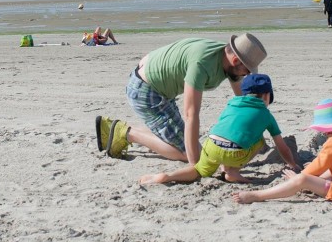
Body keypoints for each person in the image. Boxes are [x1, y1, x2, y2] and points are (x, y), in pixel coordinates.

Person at [94, 33, 268, 165]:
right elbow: (191, 114)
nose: (247, 75)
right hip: (146, 92)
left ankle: (124, 131)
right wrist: (196, 165)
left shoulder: (225, 57)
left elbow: (242, 101)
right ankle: (126, 133)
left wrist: (255, 136)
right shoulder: (202, 63)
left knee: (184, 141)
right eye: (247, 70)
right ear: (236, 59)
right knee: (187, 153)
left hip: (156, 85)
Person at [139, 74, 300, 186]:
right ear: (266, 95)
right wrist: (292, 164)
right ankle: (233, 172)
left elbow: (225, 126)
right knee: (259, 140)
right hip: (235, 153)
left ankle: (168, 177)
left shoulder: (232, 103)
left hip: (211, 145)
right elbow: (282, 146)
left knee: (198, 170)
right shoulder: (266, 114)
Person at [233, 99, 332, 204]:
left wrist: (297, 178)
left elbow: (316, 167)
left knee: (302, 180)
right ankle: (307, 183)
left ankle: (257, 196)